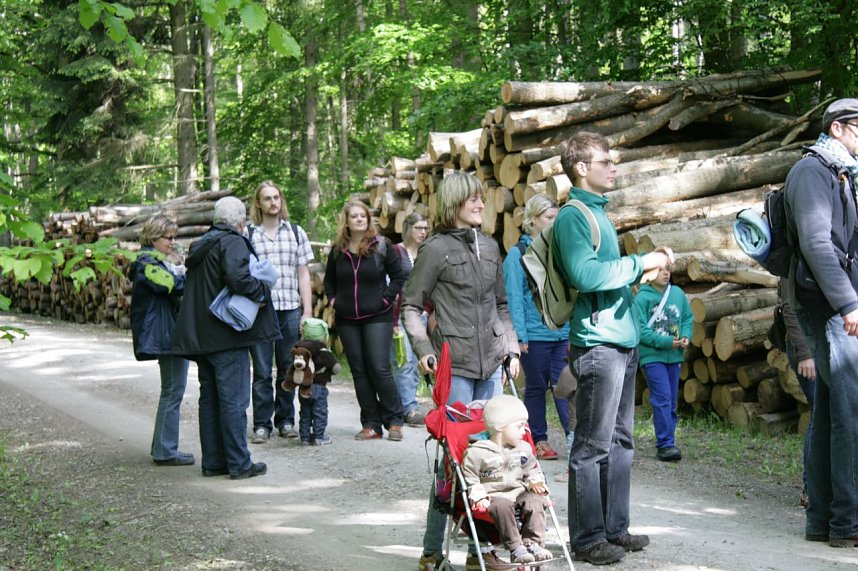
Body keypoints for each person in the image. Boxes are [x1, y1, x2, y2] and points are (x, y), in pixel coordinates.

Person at [553, 132, 672, 565]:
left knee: (621, 441)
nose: (613, 167)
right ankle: (588, 539)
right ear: (582, 168)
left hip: (622, 341)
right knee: (592, 445)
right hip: (598, 345)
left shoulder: (599, 213)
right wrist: (643, 262)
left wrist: (637, 272)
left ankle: (614, 529)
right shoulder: (573, 216)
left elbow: (608, 276)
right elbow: (585, 275)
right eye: (605, 161)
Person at [402, 171, 521, 571]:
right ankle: (432, 550)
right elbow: (411, 307)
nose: (480, 204)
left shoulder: (490, 246)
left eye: (480, 198)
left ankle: (478, 551)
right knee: (452, 462)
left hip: (491, 365)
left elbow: (501, 305)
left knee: (490, 460)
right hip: (455, 369)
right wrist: (423, 349)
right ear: (454, 203)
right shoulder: (434, 249)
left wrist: (511, 347)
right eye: (472, 199)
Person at [783, 98, 858, 548]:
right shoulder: (812, 172)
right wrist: (849, 305)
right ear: (837, 128)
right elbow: (816, 244)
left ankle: (824, 521)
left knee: (833, 413)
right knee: (851, 415)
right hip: (827, 308)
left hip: (834, 306)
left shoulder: (841, 173)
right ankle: (848, 523)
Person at [172, 197, 280, 480]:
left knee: (210, 399)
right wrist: (261, 292)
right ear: (240, 222)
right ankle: (239, 463)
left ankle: (214, 462)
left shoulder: (202, 244)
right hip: (227, 335)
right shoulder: (232, 241)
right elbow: (238, 277)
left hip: (202, 337)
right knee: (234, 400)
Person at [323, 200, 406, 441]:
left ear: (368, 220)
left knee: (379, 368)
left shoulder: (381, 245)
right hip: (347, 318)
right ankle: (371, 424)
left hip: (377, 316)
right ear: (346, 221)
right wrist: (334, 301)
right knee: (359, 371)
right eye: (354, 216)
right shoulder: (337, 250)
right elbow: (329, 281)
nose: (359, 219)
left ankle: (394, 421)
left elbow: (398, 276)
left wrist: (385, 300)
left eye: (363, 216)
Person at [502, 194, 570, 461]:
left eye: (556, 218)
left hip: (562, 333)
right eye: (549, 217)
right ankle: (539, 440)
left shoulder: (560, 249)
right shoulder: (518, 255)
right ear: (532, 220)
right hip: (534, 335)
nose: (554, 222)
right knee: (536, 388)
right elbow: (514, 298)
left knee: (566, 387)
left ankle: (574, 438)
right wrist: (519, 336)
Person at [246, 181, 314, 444]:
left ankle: (285, 420)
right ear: (259, 204)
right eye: (267, 198)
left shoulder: (295, 232)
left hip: (290, 310)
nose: (273, 202)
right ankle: (262, 424)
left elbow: (303, 274)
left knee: (289, 368)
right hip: (261, 312)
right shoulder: (249, 234)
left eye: (276, 197)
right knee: (262, 370)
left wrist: (307, 310)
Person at [129, 215, 193, 467]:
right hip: (166, 334)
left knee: (172, 390)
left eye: (175, 237)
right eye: (169, 237)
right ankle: (165, 451)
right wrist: (191, 275)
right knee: (173, 390)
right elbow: (173, 286)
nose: (173, 242)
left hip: (168, 332)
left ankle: (162, 447)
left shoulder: (152, 262)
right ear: (154, 238)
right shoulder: (147, 264)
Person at [462, 394, 553, 565]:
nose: (524, 431)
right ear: (500, 427)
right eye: (519, 426)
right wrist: (478, 496)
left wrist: (535, 482)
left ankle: (533, 543)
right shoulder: (477, 452)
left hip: (519, 493)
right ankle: (516, 548)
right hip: (494, 496)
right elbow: (471, 478)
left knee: (536, 500)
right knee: (502, 505)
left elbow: (531, 470)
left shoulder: (524, 449)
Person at [633, 265, 692, 462]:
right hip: (652, 356)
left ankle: (669, 440)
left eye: (667, 269)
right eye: (660, 270)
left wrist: (686, 335)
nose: (666, 273)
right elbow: (641, 330)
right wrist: (666, 342)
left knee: (672, 401)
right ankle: (665, 444)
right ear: (649, 274)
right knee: (663, 397)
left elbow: (687, 319)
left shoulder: (677, 294)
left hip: (674, 356)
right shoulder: (642, 298)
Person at [391, 212, 430, 426]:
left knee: (416, 363)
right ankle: (409, 409)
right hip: (398, 316)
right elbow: (388, 285)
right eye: (418, 228)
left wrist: (428, 309)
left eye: (425, 228)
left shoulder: (426, 253)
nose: (423, 232)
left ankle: (403, 405)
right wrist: (391, 320)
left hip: (419, 316)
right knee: (403, 361)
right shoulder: (396, 252)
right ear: (408, 228)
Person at [779, 280, 815, 507]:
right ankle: (811, 489)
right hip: (805, 347)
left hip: (822, 343)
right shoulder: (794, 261)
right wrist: (804, 353)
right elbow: (789, 308)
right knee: (820, 413)